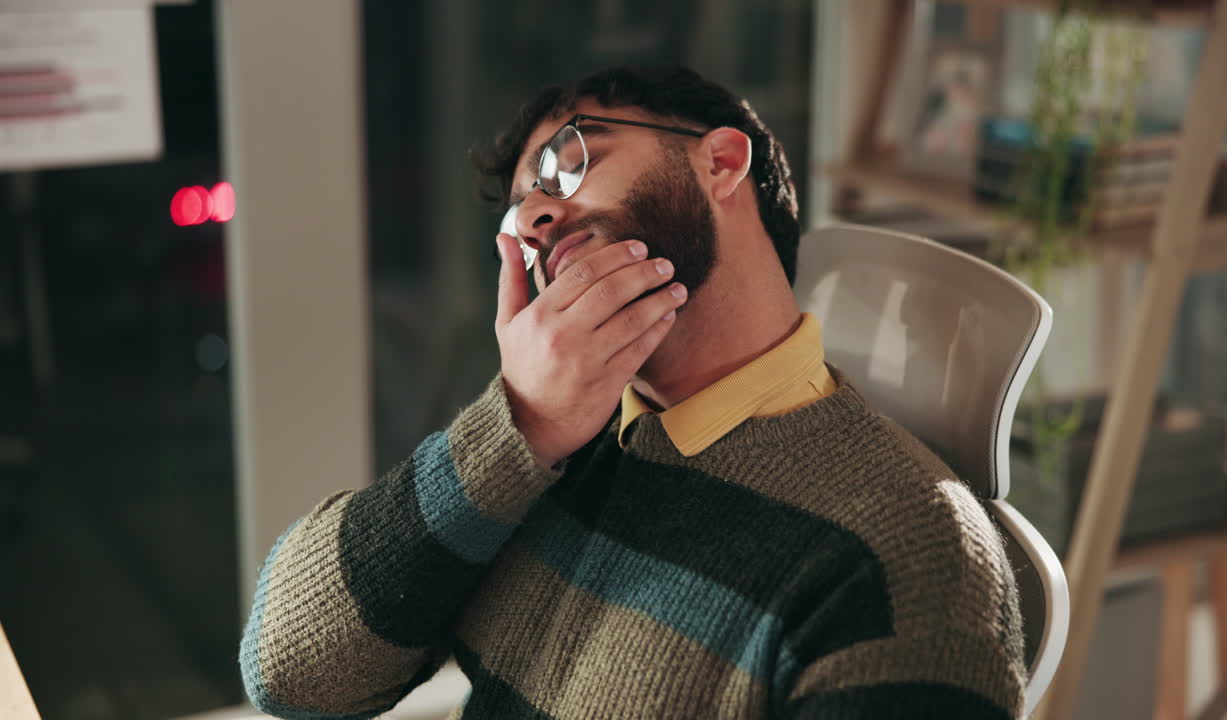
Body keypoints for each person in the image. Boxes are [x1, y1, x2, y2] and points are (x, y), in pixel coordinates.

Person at [239, 65, 1026, 719]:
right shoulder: (544, 443)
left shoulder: (909, 554)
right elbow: (286, 673)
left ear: (719, 163)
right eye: (521, 209)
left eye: (568, 162)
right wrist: (520, 423)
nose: (537, 216)